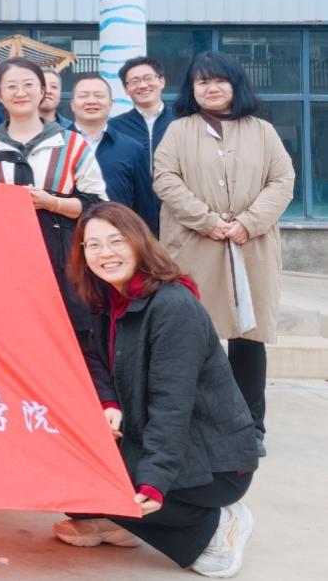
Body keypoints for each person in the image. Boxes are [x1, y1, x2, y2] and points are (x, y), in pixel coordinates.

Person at [54, 202, 258, 578]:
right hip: (157, 441)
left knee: (94, 480)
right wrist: (109, 402)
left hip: (215, 464)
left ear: (139, 242)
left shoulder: (172, 307)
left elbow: (171, 407)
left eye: (116, 241)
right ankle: (126, 521)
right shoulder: (107, 298)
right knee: (67, 471)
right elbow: (95, 358)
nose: (105, 253)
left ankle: (214, 526)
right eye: (93, 245)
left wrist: (154, 481)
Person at [153, 51, 294, 457]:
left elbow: (282, 180)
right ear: (191, 89)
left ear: (235, 84)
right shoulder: (179, 130)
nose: (211, 88)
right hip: (196, 244)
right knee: (195, 335)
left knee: (249, 338)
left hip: (250, 244)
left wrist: (248, 222)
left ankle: (250, 427)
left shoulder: (262, 131)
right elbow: (165, 179)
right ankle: (198, 425)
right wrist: (206, 220)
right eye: (202, 82)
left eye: (219, 80)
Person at [0, 58, 107, 340]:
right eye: (11, 86)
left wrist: (52, 203)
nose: (20, 92)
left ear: (42, 91)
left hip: (65, 258)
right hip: (4, 263)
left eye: (28, 84)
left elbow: (96, 205)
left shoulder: (71, 144)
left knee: (74, 336)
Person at [70, 73, 159, 235]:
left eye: (99, 96)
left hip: (120, 237)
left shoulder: (132, 149)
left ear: (110, 104)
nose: (91, 101)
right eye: (83, 96)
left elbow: (145, 207)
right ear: (72, 104)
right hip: (67, 238)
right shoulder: (56, 145)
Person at [109, 56, 175, 170]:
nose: (143, 85)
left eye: (148, 78)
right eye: (135, 81)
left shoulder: (181, 121)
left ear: (162, 81)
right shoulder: (114, 127)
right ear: (126, 89)